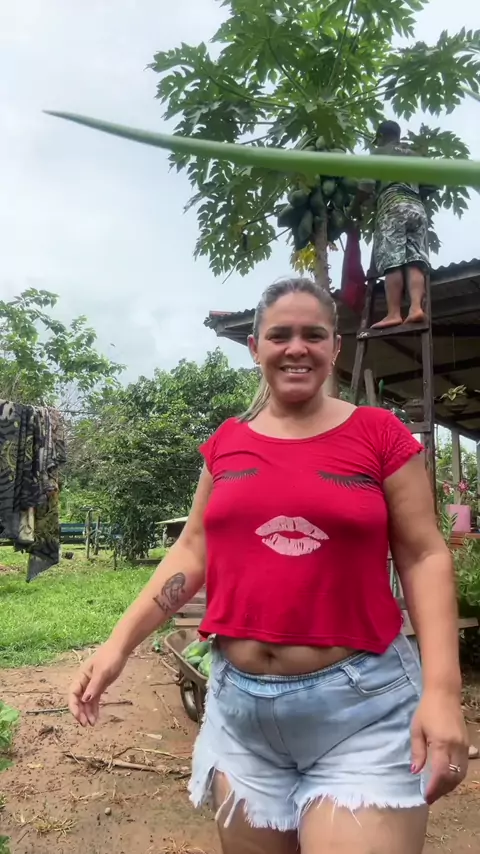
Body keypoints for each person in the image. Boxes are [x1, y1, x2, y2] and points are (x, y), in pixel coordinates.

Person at [69, 278, 468, 854]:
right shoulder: (227, 443)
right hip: (241, 717)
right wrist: (117, 645)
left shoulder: (379, 434)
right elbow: (193, 549)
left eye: (314, 335)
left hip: (362, 712)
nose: (296, 347)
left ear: (335, 347)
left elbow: (424, 555)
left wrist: (443, 691)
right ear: (256, 348)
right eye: (280, 335)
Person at [354, 120, 430, 329]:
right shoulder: (414, 155)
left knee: (392, 261)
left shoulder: (379, 153)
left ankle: (394, 313)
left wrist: (355, 207)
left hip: (392, 206)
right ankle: (416, 308)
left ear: (380, 137)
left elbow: (366, 185)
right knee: (415, 260)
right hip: (417, 208)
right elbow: (431, 184)